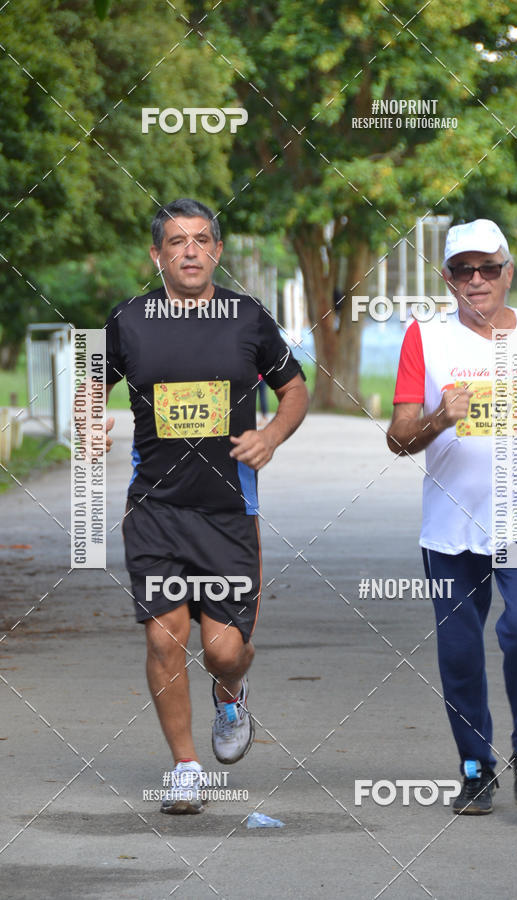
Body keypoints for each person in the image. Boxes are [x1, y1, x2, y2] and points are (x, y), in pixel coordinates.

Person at [103, 198, 309, 814]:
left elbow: (294, 388)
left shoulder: (246, 318)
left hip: (227, 514)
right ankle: (186, 768)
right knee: (165, 641)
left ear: (217, 251)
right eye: (175, 241)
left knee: (222, 650)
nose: (189, 250)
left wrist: (270, 435)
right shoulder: (129, 319)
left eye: (200, 240)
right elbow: (91, 379)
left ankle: (232, 691)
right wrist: (87, 421)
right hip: (156, 511)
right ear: (156, 255)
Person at [387, 219, 517, 815]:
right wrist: (438, 420)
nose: (476, 280)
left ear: (509, 272)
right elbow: (398, 438)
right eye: (462, 270)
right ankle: (475, 768)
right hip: (449, 528)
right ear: (447, 278)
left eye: (488, 268)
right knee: (459, 651)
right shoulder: (426, 337)